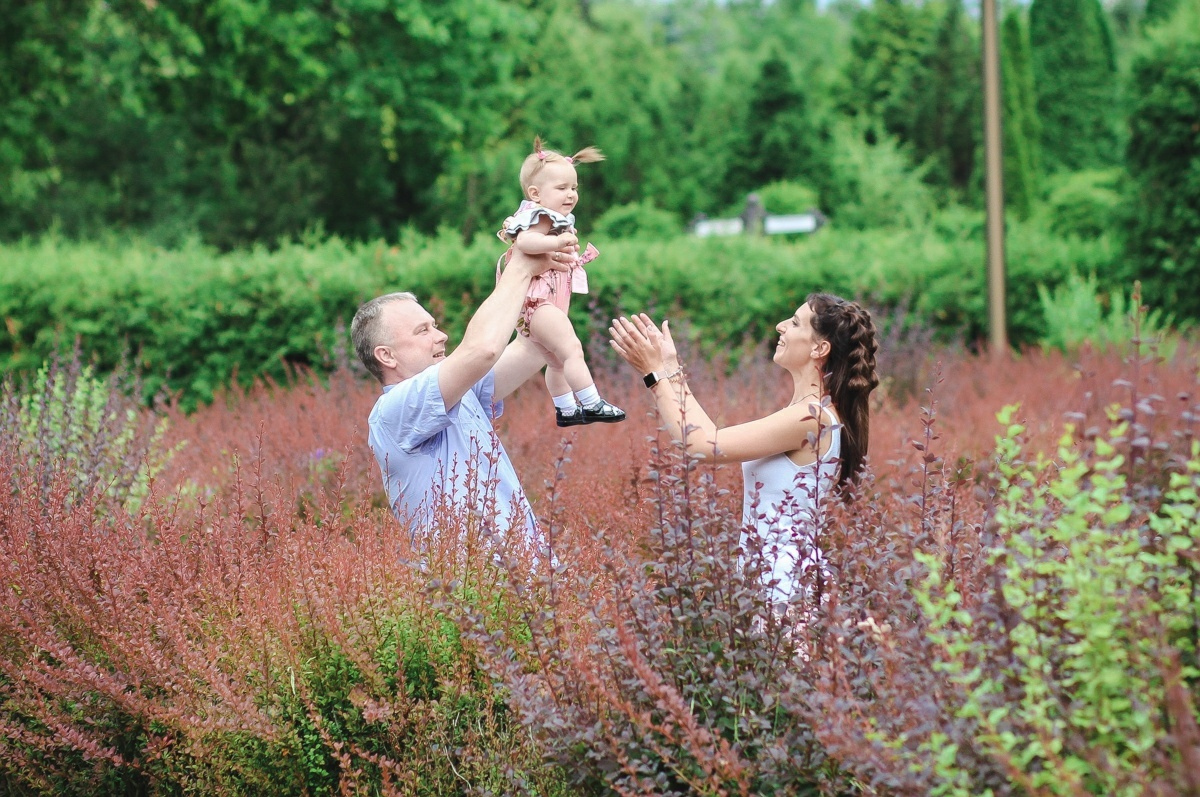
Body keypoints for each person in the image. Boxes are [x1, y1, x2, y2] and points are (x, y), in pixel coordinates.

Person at [608, 294, 880, 601]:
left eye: (793, 323)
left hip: (786, 588)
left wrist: (654, 375)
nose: (780, 327)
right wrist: (670, 368)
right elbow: (706, 435)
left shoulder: (811, 418)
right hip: (775, 583)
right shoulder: (810, 412)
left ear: (820, 348)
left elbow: (702, 445)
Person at [351, 248, 569, 541]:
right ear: (387, 356)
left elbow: (534, 347)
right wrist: (520, 267)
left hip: (524, 576)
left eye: (435, 326)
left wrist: (555, 274)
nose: (441, 335)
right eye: (422, 331)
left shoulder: (462, 394)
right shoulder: (393, 411)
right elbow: (482, 351)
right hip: (473, 584)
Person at [496, 136, 625, 428]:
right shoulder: (539, 218)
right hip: (537, 305)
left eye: (574, 188)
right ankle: (591, 402)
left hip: (545, 304)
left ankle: (566, 409)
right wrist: (555, 241)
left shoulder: (555, 217)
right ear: (535, 193)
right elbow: (526, 241)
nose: (570, 194)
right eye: (562, 188)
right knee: (572, 349)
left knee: (556, 362)